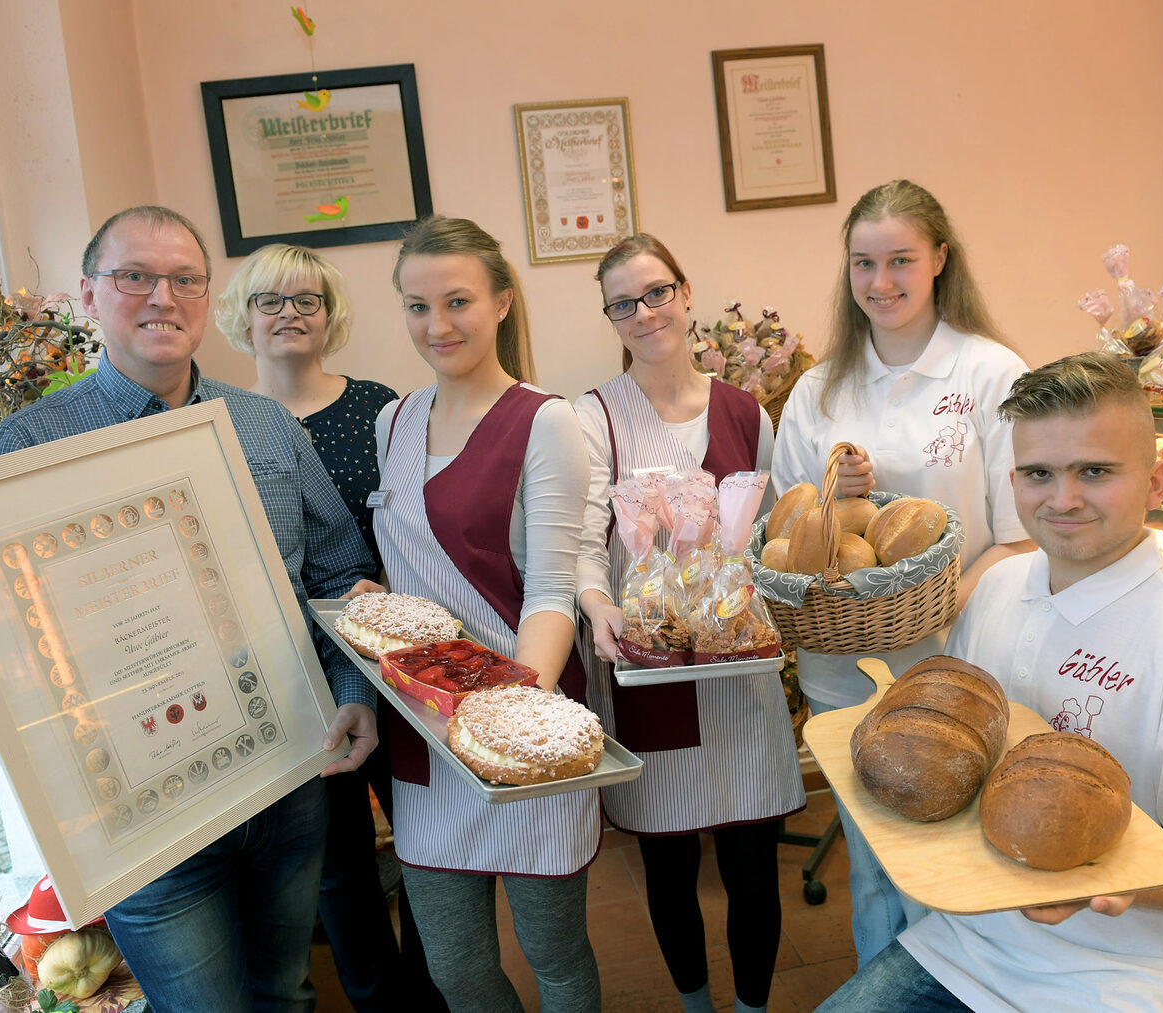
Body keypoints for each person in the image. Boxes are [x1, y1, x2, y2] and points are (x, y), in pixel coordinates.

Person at [0, 206, 380, 1013]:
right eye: (134, 277)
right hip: (140, 814)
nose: (163, 296)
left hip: (288, 774)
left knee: (286, 993)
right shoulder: (21, 448)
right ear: (88, 295)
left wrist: (355, 694)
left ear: (206, 295)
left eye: (185, 278)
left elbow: (340, 572)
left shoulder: (261, 425)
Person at [819, 351, 1163, 1012]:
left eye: (1095, 470)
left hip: (1130, 974)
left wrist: (1104, 881)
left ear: (1157, 481)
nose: (1062, 498)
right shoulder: (997, 588)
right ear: (1013, 481)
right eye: (1038, 473)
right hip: (969, 945)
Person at [769, 178, 1033, 964]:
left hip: (961, 664)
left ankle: (969, 984)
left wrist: (935, 601)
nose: (880, 283)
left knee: (963, 859)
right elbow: (784, 540)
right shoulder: (818, 391)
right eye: (862, 263)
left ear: (941, 259)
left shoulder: (990, 373)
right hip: (843, 669)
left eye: (900, 261)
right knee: (877, 863)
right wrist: (828, 500)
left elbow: (1019, 536)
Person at [371, 215, 601, 1013]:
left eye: (458, 300)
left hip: (521, 723)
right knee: (457, 970)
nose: (437, 325)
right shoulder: (391, 421)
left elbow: (551, 588)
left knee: (556, 955)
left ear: (502, 301)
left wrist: (508, 719)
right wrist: (381, 604)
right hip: (422, 736)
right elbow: (411, 565)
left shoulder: (546, 421)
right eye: (416, 306)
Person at [575, 234, 803, 1013]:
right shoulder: (592, 417)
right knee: (668, 866)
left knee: (751, 863)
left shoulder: (745, 410)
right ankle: (698, 1005)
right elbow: (578, 545)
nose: (644, 313)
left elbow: (770, 536)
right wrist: (599, 605)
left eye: (656, 292)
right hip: (653, 672)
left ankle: (752, 1008)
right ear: (610, 317)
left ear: (686, 291)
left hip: (738, 672)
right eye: (623, 303)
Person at [215, 244, 445, 1012]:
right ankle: (380, 998)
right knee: (337, 858)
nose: (289, 313)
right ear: (242, 315)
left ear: (330, 314)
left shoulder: (382, 408)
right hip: (297, 672)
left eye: (307, 300)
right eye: (270, 300)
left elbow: (417, 523)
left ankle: (435, 986)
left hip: (395, 660)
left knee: (425, 837)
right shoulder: (220, 426)